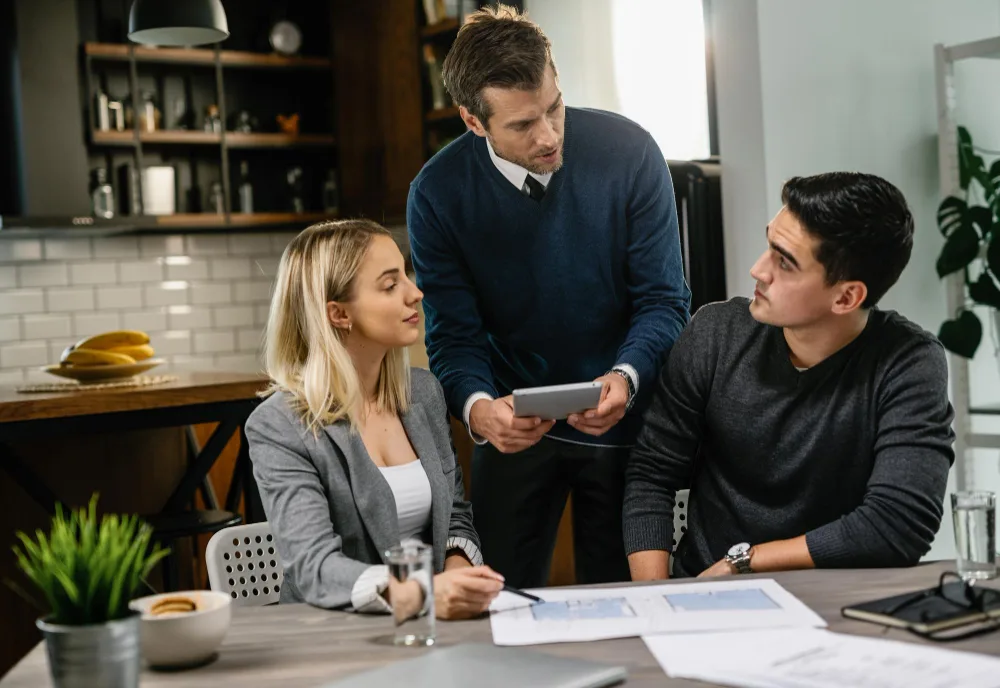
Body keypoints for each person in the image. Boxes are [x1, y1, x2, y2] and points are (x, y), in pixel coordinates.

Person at [407, 5, 691, 588]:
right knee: (495, 601)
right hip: (513, 428)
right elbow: (453, 337)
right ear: (473, 121)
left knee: (625, 602)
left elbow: (664, 300)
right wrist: (480, 412)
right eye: (522, 125)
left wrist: (626, 377)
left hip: (627, 416)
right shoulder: (437, 194)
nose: (549, 135)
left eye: (554, 107)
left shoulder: (631, 152)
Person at [624, 172, 956, 580]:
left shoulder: (908, 362)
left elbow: (898, 523)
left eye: (784, 261)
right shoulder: (715, 334)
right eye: (769, 245)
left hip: (837, 603)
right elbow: (651, 476)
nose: (758, 270)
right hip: (707, 596)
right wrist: (659, 601)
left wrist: (743, 562)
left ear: (846, 296)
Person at [246, 219, 503, 618]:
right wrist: (422, 593)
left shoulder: (423, 393)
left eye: (407, 275)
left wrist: (459, 578)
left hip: (430, 628)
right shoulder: (279, 426)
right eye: (390, 285)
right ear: (338, 313)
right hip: (329, 637)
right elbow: (315, 568)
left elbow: (454, 518)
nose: (415, 293)